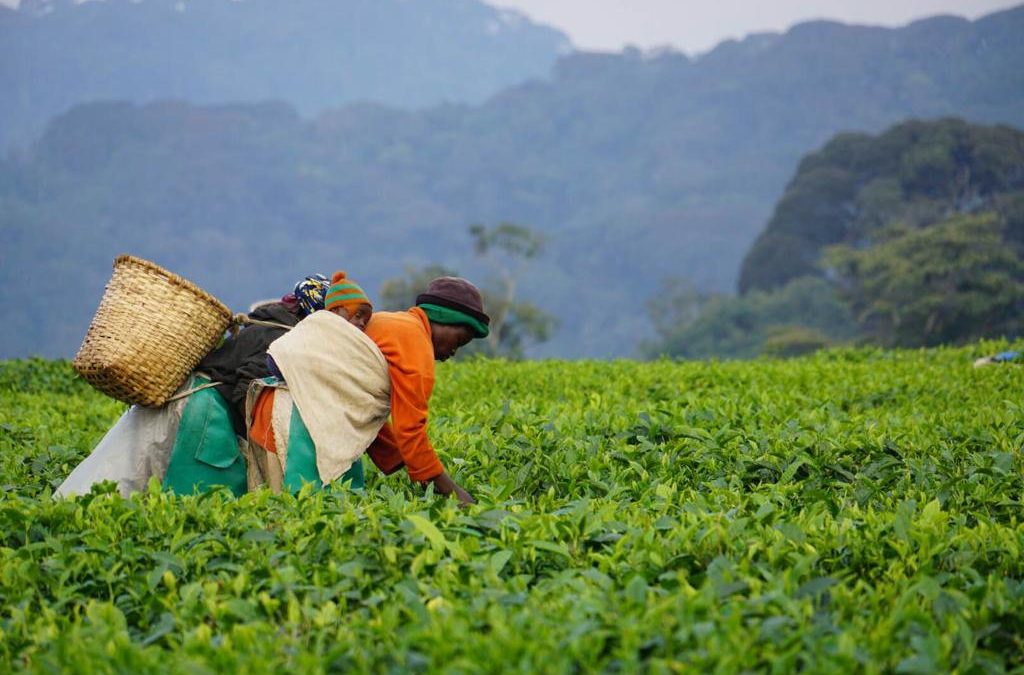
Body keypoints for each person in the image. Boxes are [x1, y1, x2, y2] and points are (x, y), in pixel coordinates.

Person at [55, 273, 336, 497]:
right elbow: (247, 389)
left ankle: (70, 507)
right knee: (203, 494)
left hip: (185, 397)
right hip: (201, 411)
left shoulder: (269, 322)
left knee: (126, 470)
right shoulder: (281, 337)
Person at [246, 271, 386, 493]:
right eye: (357, 315)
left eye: (365, 319)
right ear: (337, 311)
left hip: (301, 412)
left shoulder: (346, 340)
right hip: (286, 413)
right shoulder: (317, 326)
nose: (361, 323)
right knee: (297, 488)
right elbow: (276, 360)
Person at [363, 276, 491, 505]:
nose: (454, 352)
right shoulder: (415, 343)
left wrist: (405, 460)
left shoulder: (396, 323)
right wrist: (453, 492)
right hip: (303, 413)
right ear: (443, 320)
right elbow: (410, 429)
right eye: (459, 340)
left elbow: (362, 407)